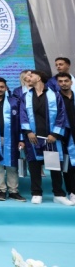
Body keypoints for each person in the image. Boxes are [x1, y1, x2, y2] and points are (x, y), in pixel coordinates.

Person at [20, 70, 72, 205]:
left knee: (55, 167)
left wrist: (54, 134)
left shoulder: (55, 95)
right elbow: (23, 115)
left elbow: (61, 115)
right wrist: (28, 131)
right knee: (34, 166)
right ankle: (36, 193)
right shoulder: (25, 96)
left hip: (51, 138)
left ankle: (58, 194)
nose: (27, 78)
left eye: (30, 76)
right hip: (33, 137)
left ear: (39, 78)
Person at [56, 73, 75, 203]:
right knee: (67, 166)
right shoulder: (55, 98)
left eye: (66, 81)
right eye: (61, 81)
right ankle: (72, 192)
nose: (63, 83)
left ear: (71, 82)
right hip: (63, 137)